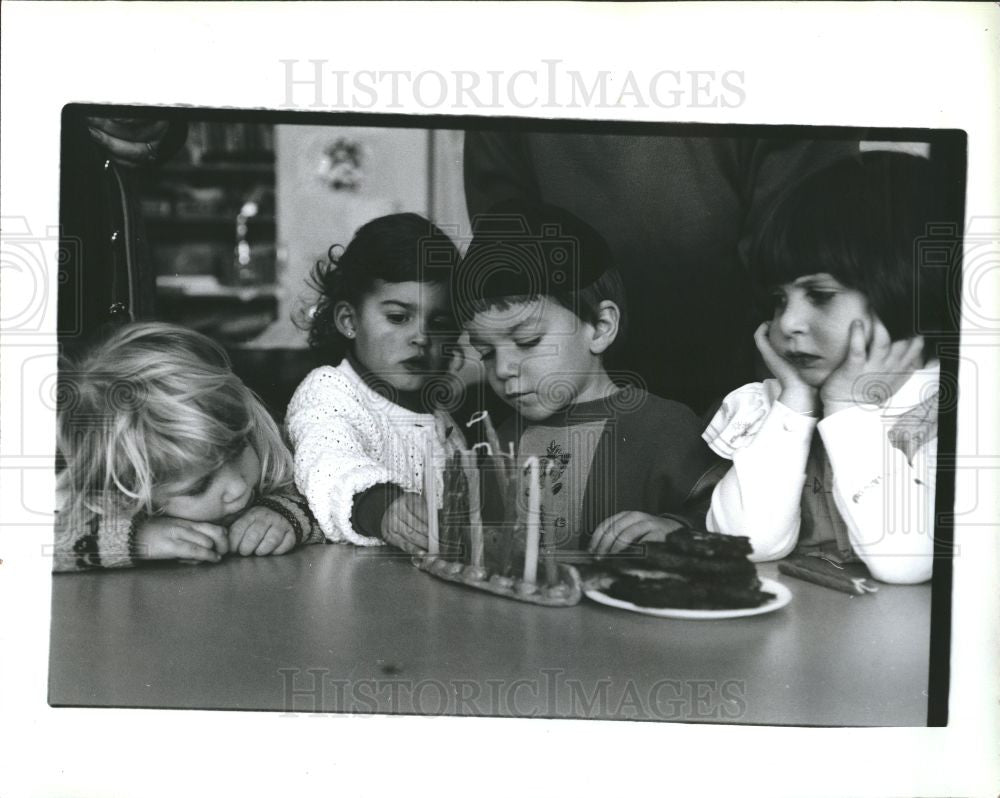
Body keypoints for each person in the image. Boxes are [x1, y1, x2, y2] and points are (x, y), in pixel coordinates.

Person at [464, 130, 859, 415]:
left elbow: (801, 262)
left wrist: (769, 415)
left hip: (744, 389)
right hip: (567, 387)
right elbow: (506, 254)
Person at [702, 152, 949, 584]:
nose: (788, 323)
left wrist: (849, 409)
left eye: (819, 294)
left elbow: (907, 563)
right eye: (779, 300)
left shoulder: (944, 409)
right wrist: (794, 405)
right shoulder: (772, 403)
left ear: (903, 284)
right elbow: (746, 542)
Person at [456, 200, 726, 556]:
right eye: (486, 352)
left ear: (601, 328)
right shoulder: (500, 441)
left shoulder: (667, 429)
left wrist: (675, 529)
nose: (503, 368)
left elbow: (727, 519)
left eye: (527, 341)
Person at [54, 322, 322, 572]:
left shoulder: (273, 453)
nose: (238, 488)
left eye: (239, 450)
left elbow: (335, 501)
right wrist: (140, 538)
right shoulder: (88, 503)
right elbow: (20, 547)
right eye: (200, 486)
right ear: (128, 494)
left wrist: (285, 514)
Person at [285, 213, 467, 554]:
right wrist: (382, 507)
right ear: (349, 320)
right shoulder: (330, 390)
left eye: (439, 322)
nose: (422, 337)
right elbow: (327, 460)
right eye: (399, 317)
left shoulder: (442, 417)